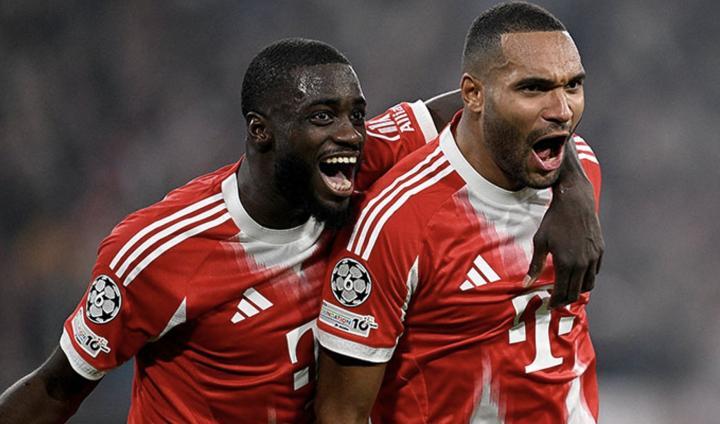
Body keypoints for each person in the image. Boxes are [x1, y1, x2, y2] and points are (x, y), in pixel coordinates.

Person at [0, 35, 601, 422]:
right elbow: (56, 388)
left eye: (356, 114)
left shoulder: (362, 161)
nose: (350, 134)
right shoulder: (163, 251)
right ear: (261, 130)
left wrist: (570, 188)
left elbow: (499, 104)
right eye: (321, 117)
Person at [315, 3, 602, 423]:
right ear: (473, 94)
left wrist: (573, 187)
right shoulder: (398, 221)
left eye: (573, 85)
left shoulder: (581, 171)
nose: (561, 109)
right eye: (532, 88)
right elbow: (342, 411)